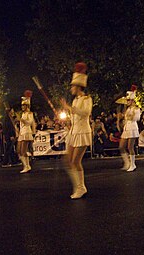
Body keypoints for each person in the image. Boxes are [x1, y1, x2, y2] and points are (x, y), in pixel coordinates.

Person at [61, 62, 92, 199]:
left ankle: (80, 188)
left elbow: (85, 113)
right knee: (68, 161)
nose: (71, 88)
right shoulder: (74, 101)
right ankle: (79, 187)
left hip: (83, 132)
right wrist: (68, 121)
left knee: (75, 162)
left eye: (72, 86)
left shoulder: (87, 98)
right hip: (73, 132)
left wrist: (69, 108)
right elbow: (74, 117)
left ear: (78, 86)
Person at [119, 85, 141, 172]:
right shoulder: (127, 109)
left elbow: (137, 118)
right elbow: (125, 118)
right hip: (126, 128)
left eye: (128, 100)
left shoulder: (136, 109)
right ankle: (127, 162)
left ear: (132, 100)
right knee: (121, 146)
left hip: (132, 128)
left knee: (130, 147)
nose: (127, 102)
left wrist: (131, 116)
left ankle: (133, 164)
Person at [17, 90, 36, 173]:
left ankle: (27, 166)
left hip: (26, 132)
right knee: (18, 150)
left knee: (23, 151)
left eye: (23, 106)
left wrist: (21, 120)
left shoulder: (30, 113)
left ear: (26, 106)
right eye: (22, 105)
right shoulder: (23, 114)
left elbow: (29, 123)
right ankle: (26, 165)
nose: (22, 107)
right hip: (22, 133)